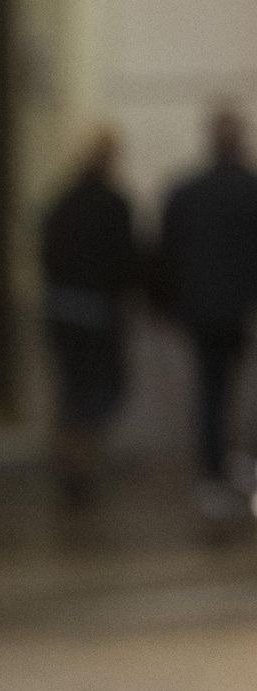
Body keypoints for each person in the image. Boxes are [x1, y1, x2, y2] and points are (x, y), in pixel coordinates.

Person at [160, 106, 257, 517]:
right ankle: (233, 465)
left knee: (211, 393)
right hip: (237, 309)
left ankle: (216, 471)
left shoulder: (187, 192)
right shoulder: (249, 189)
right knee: (229, 390)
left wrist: (172, 305)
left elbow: (168, 253)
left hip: (202, 311)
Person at [39, 128, 138, 505]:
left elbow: (47, 253)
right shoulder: (115, 204)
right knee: (99, 391)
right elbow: (126, 260)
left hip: (63, 309)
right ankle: (82, 460)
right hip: (98, 311)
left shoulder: (63, 201)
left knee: (72, 390)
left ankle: (72, 459)